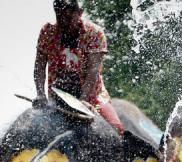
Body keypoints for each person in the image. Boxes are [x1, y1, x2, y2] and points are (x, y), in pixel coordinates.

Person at [34, 0, 125, 134]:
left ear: (80, 13)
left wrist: (83, 100)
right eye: (60, 18)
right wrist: (41, 94)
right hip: (58, 96)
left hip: (92, 97)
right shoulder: (47, 32)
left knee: (117, 128)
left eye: (69, 18)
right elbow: (39, 67)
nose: (64, 23)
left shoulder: (94, 33)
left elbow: (93, 72)